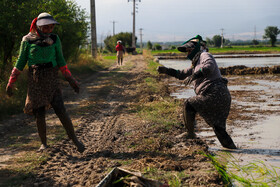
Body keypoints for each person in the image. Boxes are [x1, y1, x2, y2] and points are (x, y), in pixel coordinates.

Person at [6, 12, 85, 153]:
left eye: (51, 27)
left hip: (51, 78)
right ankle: (43, 143)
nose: (49, 30)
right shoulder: (27, 40)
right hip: (35, 80)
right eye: (46, 27)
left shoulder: (55, 39)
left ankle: (75, 140)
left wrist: (71, 80)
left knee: (60, 109)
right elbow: (20, 62)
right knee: (39, 113)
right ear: (38, 26)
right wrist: (11, 81)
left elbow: (61, 61)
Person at [157, 35, 237, 149]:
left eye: (189, 50)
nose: (187, 53)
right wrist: (166, 70)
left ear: (196, 49)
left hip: (215, 92)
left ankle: (190, 134)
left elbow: (209, 66)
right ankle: (233, 150)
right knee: (219, 129)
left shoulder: (205, 55)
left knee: (189, 104)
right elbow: (181, 74)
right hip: (222, 96)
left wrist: (196, 74)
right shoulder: (195, 64)